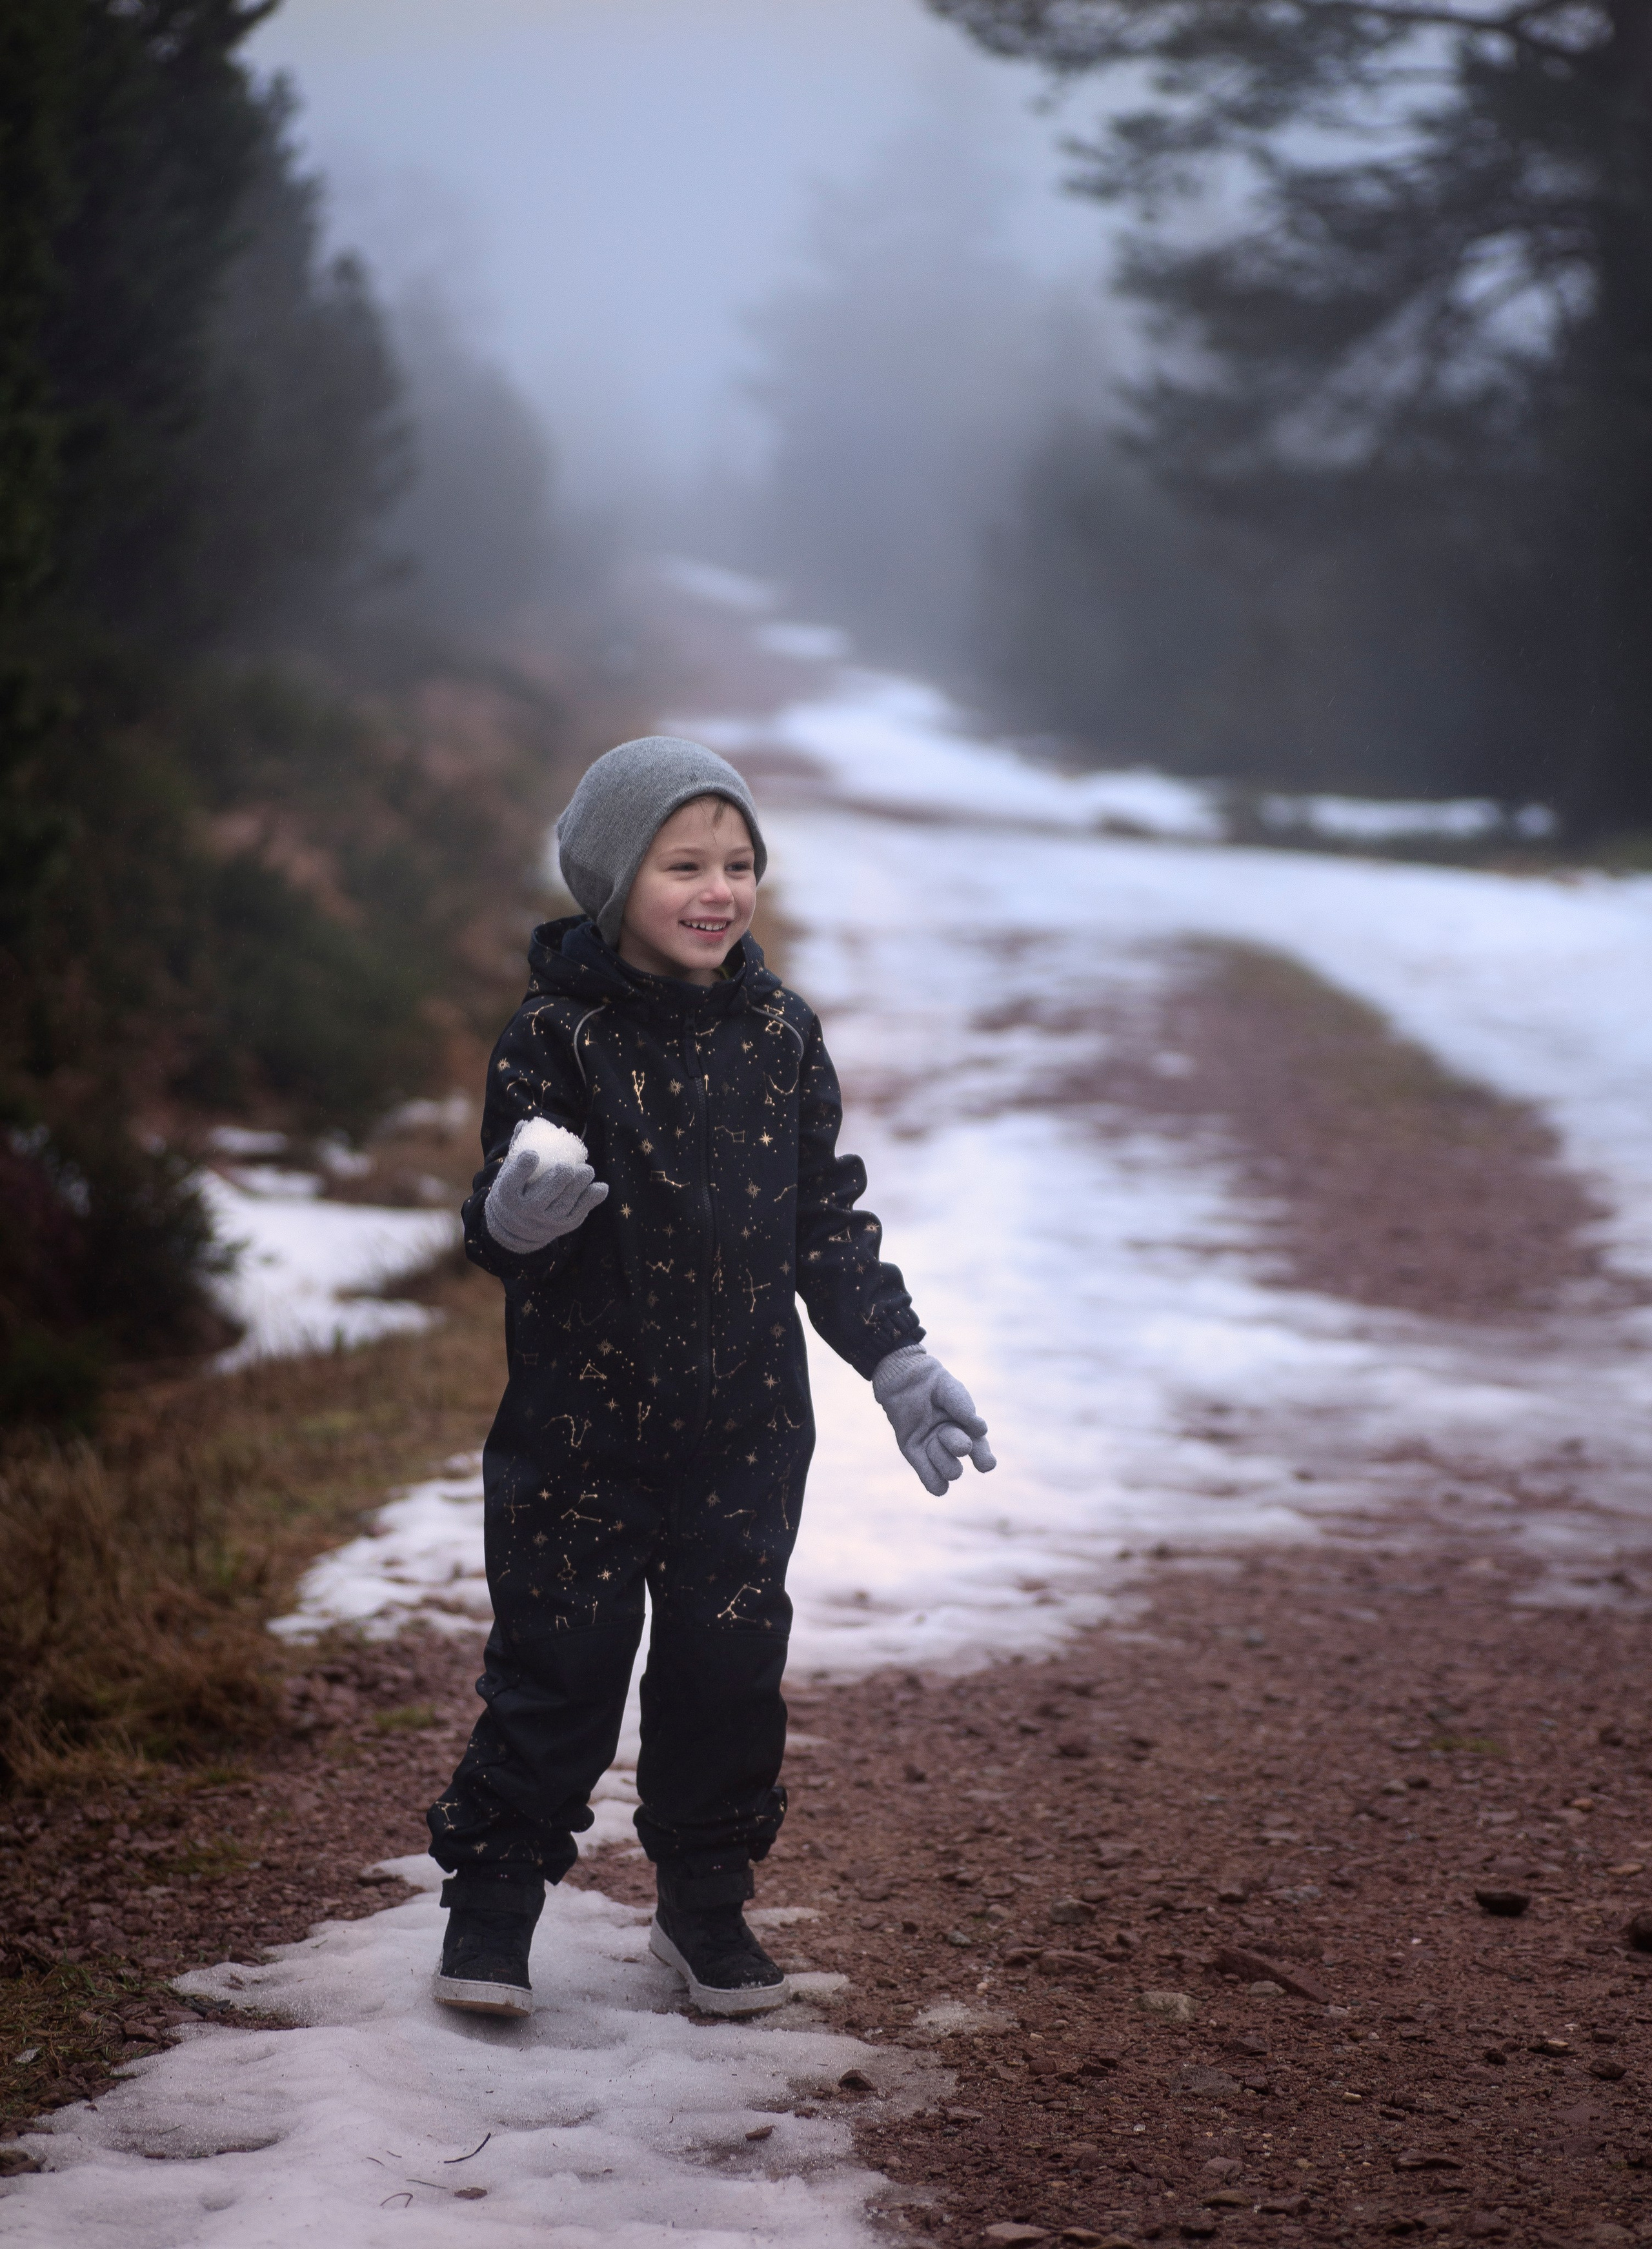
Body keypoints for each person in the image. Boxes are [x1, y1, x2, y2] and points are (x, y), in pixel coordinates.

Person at [425, 735, 994, 2018]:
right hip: (577, 1427)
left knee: (723, 1672)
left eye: (738, 862)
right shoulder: (554, 1035)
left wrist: (893, 1358)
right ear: (613, 878)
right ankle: (494, 1900)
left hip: (743, 1429)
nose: (717, 888)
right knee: (556, 1664)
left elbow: (822, 1221)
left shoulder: (781, 1034)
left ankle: (700, 1908)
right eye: (683, 862)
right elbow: (493, 1226)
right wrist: (519, 1217)